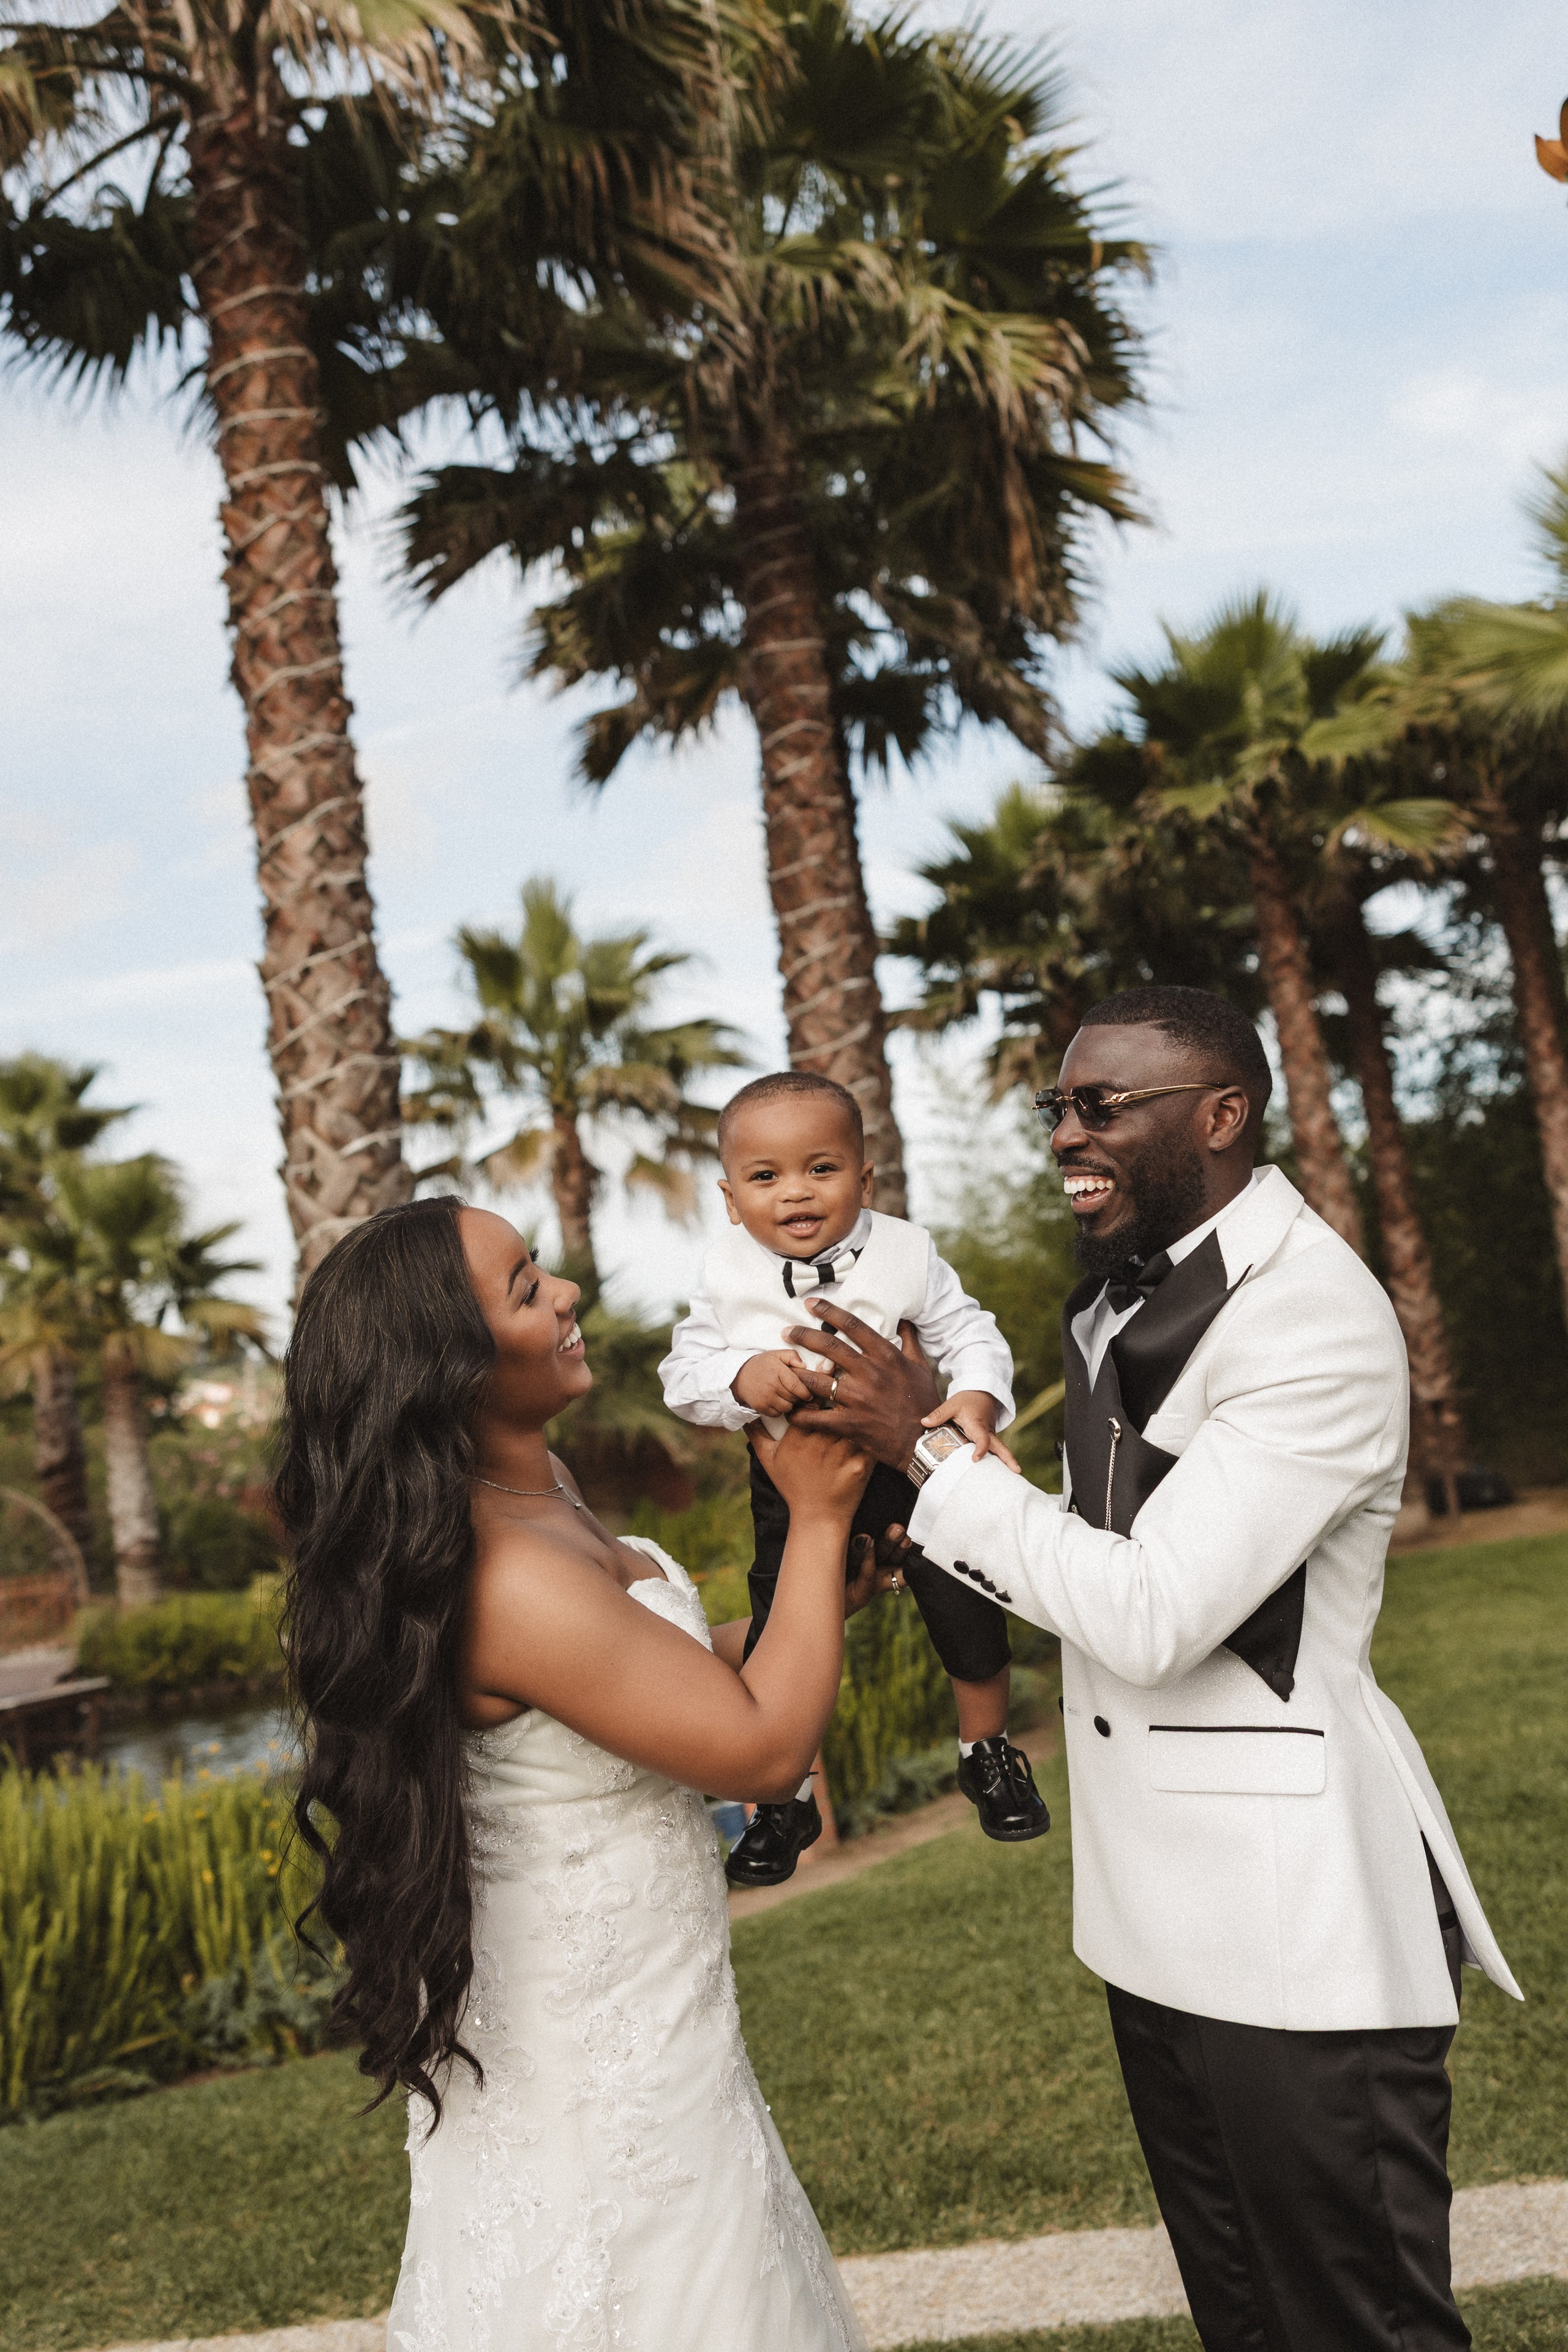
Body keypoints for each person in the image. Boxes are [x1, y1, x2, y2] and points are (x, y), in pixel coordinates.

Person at [782, 986, 1521, 2352]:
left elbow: (1152, 1614)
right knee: (1241, 2317)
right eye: (1056, 1107)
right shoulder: (1120, 1303)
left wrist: (926, 1458)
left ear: (1223, 1115)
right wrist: (904, 1520)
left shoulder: (1307, 1316)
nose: (1065, 1132)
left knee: (1357, 2326)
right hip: (1153, 1914)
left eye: (1100, 1105)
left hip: (1296, 1929)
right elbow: (1088, 1547)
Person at [277, 1195, 877, 2352]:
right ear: (449, 1365)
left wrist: (816, 1602)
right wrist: (813, 1516)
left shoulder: (536, 1483)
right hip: (592, 2034)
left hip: (656, 2000)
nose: (566, 1296)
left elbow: (655, 1687)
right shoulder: (504, 1575)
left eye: (541, 1268)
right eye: (524, 1289)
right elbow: (758, 1750)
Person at [660, 1069, 1049, 1886]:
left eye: (822, 1169)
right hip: (794, 1488)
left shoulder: (909, 1252)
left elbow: (969, 1330)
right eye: (766, 1178)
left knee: (967, 1605)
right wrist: (739, 1378)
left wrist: (976, 1396)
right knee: (783, 1624)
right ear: (731, 1200)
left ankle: (986, 1751)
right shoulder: (726, 1274)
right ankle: (786, 1796)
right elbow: (682, 1376)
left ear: (864, 1179)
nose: (795, 1193)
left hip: (911, 1467)